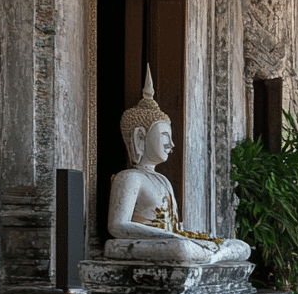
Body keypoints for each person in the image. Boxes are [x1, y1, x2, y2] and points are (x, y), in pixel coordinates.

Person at [104, 67, 250, 264]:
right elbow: (117, 226)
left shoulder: (163, 179)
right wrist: (174, 237)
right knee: (181, 249)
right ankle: (210, 256)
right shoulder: (129, 177)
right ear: (140, 137)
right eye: (165, 136)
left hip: (173, 239)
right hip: (148, 243)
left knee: (242, 247)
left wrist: (188, 236)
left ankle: (213, 255)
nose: (171, 144)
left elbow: (174, 226)